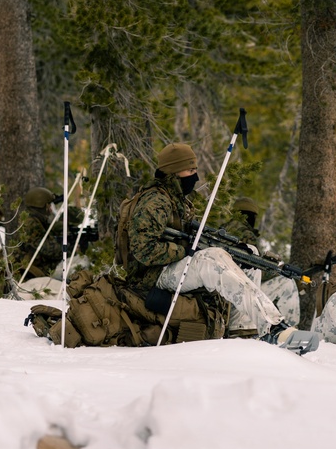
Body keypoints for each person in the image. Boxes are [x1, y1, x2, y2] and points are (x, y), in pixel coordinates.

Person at [122, 143, 318, 352]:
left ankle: (241, 330)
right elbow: (143, 249)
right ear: (173, 171)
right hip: (152, 276)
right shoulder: (155, 201)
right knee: (212, 258)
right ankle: (273, 327)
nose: (195, 176)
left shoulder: (177, 201)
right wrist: (186, 250)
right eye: (190, 170)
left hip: (172, 267)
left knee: (248, 254)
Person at [221, 196, 301, 326]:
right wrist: (274, 269)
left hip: (224, 292)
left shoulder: (222, 230)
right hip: (241, 298)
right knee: (286, 283)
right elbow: (254, 271)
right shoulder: (246, 234)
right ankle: (290, 328)